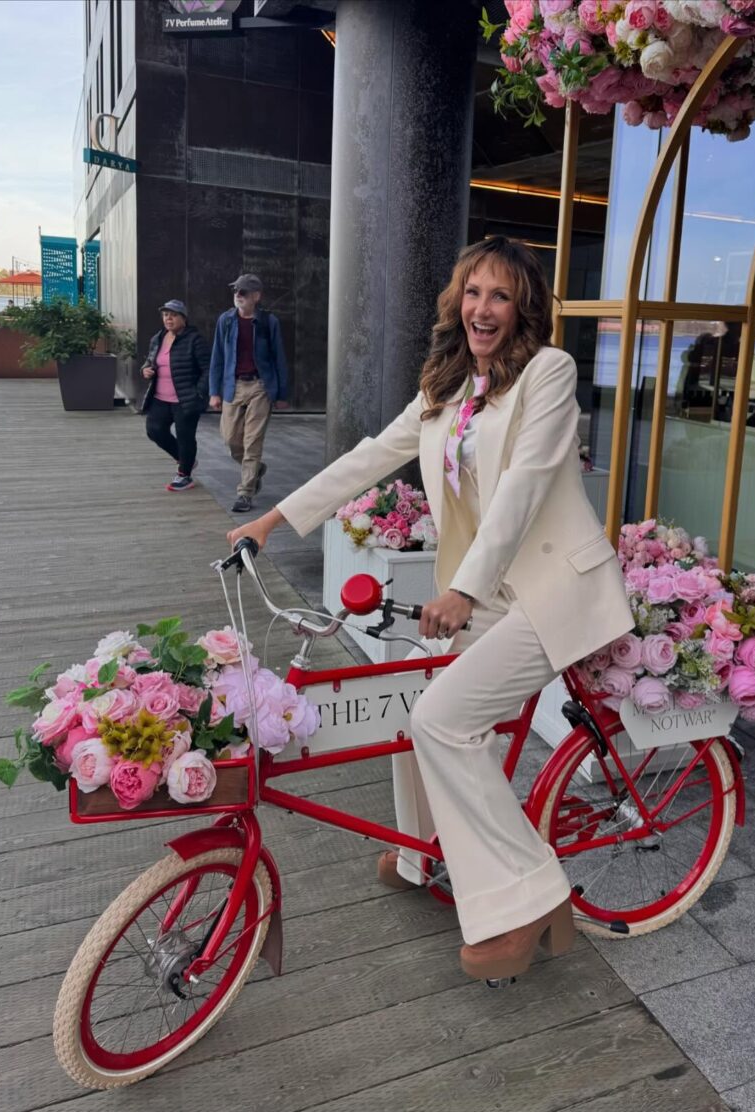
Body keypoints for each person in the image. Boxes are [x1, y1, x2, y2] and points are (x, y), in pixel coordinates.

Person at [227, 237, 633, 982]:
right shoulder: (448, 384)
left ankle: (527, 897)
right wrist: (275, 519)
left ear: (523, 309)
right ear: (457, 302)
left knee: (441, 720)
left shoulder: (548, 372)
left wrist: (463, 590)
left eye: (501, 295)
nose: (484, 308)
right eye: (473, 292)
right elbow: (370, 455)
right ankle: (424, 855)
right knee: (408, 699)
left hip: (549, 593)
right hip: (487, 591)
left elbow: (522, 490)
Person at [208, 273, 290, 514]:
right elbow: (217, 357)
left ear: (256, 296)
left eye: (243, 292)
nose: (238, 295)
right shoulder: (225, 320)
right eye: (236, 291)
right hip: (232, 385)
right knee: (230, 439)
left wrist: (281, 394)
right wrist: (214, 391)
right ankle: (257, 470)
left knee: (252, 441)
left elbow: (279, 358)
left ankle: (245, 492)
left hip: (260, 386)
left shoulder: (268, 322)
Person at [140, 299, 210, 492]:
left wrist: (198, 393)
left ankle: (184, 475)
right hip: (160, 397)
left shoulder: (195, 340)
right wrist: (145, 369)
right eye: (165, 315)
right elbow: (150, 361)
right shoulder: (158, 338)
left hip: (185, 399)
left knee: (185, 436)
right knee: (154, 430)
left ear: (183, 318)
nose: (168, 319)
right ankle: (186, 459)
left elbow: (208, 369)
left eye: (173, 315)